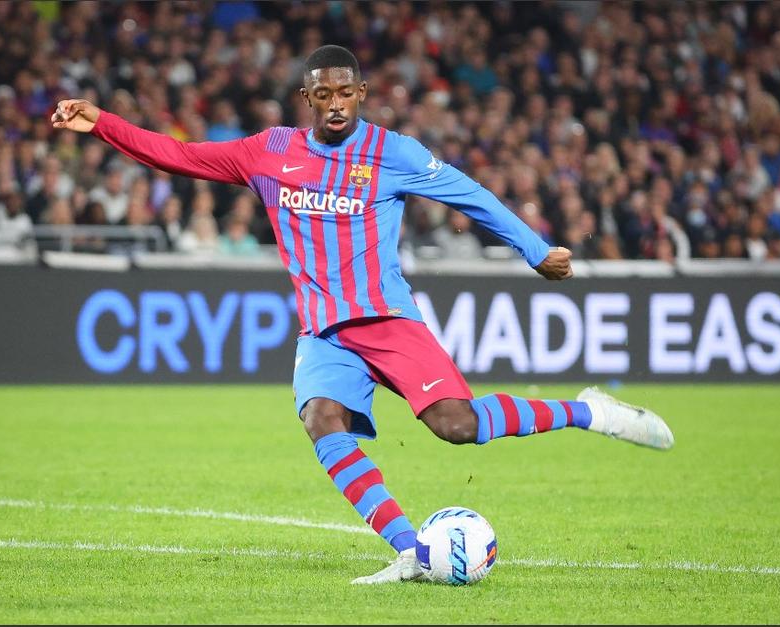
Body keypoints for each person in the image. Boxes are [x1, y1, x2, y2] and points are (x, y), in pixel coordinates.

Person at [52, 45, 674, 585]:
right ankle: (409, 550)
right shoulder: (269, 153)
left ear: (362, 94)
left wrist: (536, 252)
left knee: (457, 426)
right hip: (324, 331)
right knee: (321, 420)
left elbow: (471, 194)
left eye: (346, 93)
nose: (336, 105)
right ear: (307, 97)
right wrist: (102, 121)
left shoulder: (393, 152)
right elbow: (178, 155)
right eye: (323, 94)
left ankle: (589, 410)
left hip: (386, 319)